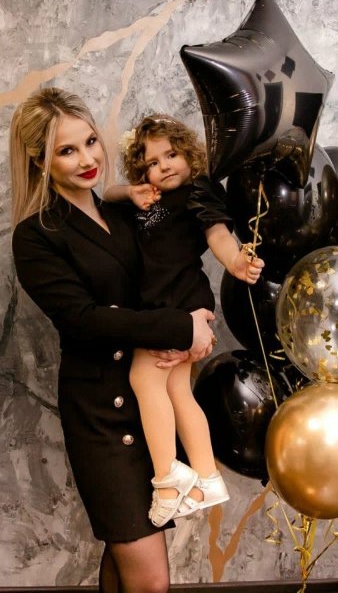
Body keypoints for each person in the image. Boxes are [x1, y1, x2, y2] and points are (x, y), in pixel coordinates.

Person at [10, 88, 218, 593]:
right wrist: (179, 328)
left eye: (90, 142)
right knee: (149, 575)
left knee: (126, 558)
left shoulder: (127, 215)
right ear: (40, 161)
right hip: (102, 413)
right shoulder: (35, 235)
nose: (87, 159)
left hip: (152, 405)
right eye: (66, 150)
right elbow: (83, 320)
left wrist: (201, 317)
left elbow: (177, 268)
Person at [104, 115, 264, 527]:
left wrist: (235, 261)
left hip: (175, 303)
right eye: (152, 162)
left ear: (189, 154)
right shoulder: (149, 198)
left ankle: (167, 479)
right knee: (177, 390)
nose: (164, 166)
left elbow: (217, 234)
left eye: (171, 154)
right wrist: (132, 191)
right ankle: (207, 476)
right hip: (159, 305)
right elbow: (106, 194)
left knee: (143, 378)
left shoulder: (197, 191)